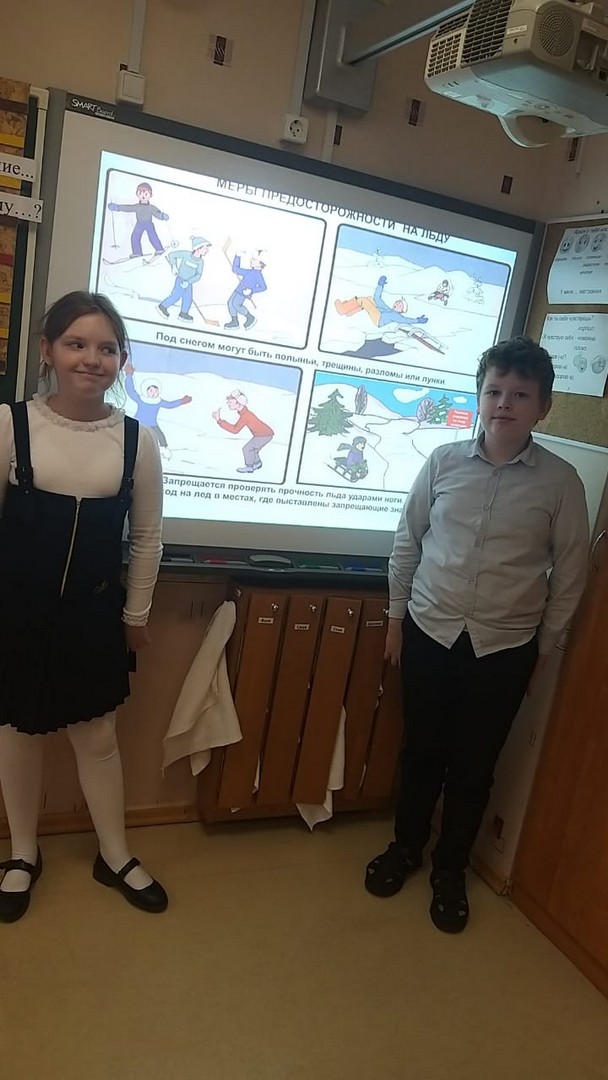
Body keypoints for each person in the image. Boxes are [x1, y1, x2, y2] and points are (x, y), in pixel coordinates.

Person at [365, 336, 589, 933]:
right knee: (420, 753)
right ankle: (405, 849)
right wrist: (394, 621)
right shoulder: (442, 462)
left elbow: (570, 576)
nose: (504, 404)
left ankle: (449, 871)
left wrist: (545, 651)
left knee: (473, 767)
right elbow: (408, 542)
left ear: (543, 407)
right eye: (494, 391)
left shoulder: (562, 483)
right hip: (429, 631)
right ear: (480, 396)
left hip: (505, 648)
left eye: (520, 395)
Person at [0, 291, 168, 922]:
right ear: (47, 350)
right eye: (77, 344)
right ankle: (22, 853)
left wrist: (136, 617)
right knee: (16, 732)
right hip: (15, 613)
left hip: (94, 616)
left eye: (106, 348)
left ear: (120, 360)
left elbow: (147, 538)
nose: (92, 359)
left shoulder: (137, 440)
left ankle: (115, 854)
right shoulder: (10, 424)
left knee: (97, 737)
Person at [124, 361, 192, 452]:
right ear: (146, 391)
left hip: (152, 424)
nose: (153, 393)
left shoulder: (158, 402)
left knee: (160, 436)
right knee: (132, 435)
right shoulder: (141, 399)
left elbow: (170, 405)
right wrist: (129, 376)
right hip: (138, 422)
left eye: (156, 391)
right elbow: (130, 390)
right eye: (151, 390)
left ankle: (164, 449)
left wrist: (181, 401)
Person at [212, 390, 274, 474]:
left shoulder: (246, 415)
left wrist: (219, 420)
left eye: (230, 402)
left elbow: (235, 430)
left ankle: (249, 467)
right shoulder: (244, 414)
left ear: (238, 403)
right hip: (264, 434)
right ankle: (257, 463)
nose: (228, 404)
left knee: (247, 449)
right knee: (253, 449)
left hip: (264, 435)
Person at [334, 276, 428, 329]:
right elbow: (377, 298)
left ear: (401, 311)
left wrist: (418, 320)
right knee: (370, 298)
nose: (397, 304)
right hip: (379, 314)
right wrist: (380, 286)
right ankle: (350, 311)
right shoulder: (388, 310)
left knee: (363, 300)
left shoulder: (396, 316)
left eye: (400, 305)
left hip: (378, 319)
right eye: (398, 302)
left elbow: (405, 320)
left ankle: (343, 309)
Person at [107, 182, 169, 258]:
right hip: (139, 224)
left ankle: (159, 249)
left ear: (150, 195)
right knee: (134, 237)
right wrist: (117, 207)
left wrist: (162, 216)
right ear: (137, 194)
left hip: (149, 224)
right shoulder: (137, 207)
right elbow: (128, 208)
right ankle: (137, 252)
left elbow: (157, 213)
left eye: (146, 194)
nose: (143, 196)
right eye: (140, 193)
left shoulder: (151, 207)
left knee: (153, 236)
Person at [157, 236, 211, 322]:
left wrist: (188, 282)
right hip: (180, 279)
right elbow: (171, 255)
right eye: (205, 248)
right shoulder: (186, 254)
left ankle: (183, 314)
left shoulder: (200, 262)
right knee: (176, 296)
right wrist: (174, 266)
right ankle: (162, 306)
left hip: (188, 283)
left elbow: (198, 275)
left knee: (188, 298)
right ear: (198, 248)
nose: (207, 250)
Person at [224, 250, 267, 331]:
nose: (251, 260)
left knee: (236, 305)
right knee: (230, 303)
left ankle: (250, 318)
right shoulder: (250, 272)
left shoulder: (258, 275)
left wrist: (251, 290)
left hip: (243, 293)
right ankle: (235, 321)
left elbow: (263, 287)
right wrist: (238, 256)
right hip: (238, 290)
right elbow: (235, 269)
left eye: (254, 259)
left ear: (260, 263)